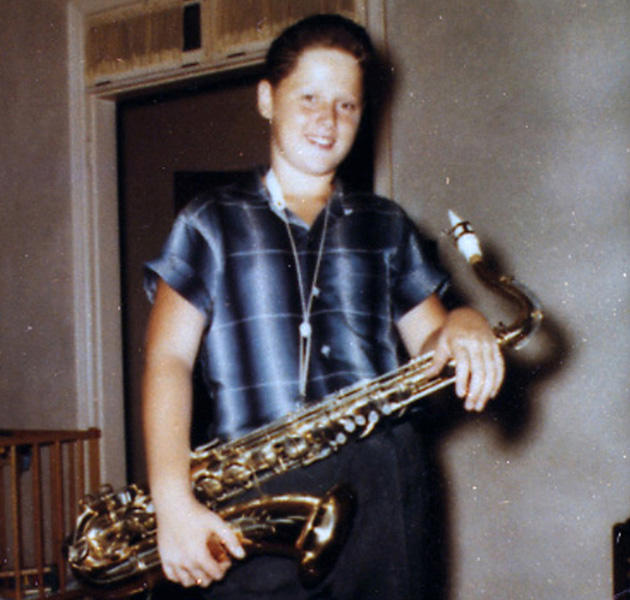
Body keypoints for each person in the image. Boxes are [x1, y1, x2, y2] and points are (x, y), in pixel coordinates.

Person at [142, 13, 504, 600]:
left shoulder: (387, 226)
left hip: (383, 485)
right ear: (266, 99)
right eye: (308, 96)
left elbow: (432, 344)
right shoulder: (209, 222)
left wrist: (463, 323)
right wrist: (172, 500)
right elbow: (168, 362)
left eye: (347, 105)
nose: (327, 119)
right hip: (252, 489)